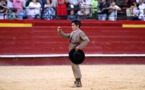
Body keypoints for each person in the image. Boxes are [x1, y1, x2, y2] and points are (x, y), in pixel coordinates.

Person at [57, 20, 89, 87]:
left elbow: (87, 40)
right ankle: (77, 81)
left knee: (75, 66)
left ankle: (78, 82)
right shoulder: (73, 32)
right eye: (71, 25)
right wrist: (60, 32)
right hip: (72, 50)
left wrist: (79, 47)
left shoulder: (80, 32)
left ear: (77, 26)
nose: (72, 26)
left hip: (75, 51)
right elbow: (65, 36)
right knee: (74, 66)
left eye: (73, 25)